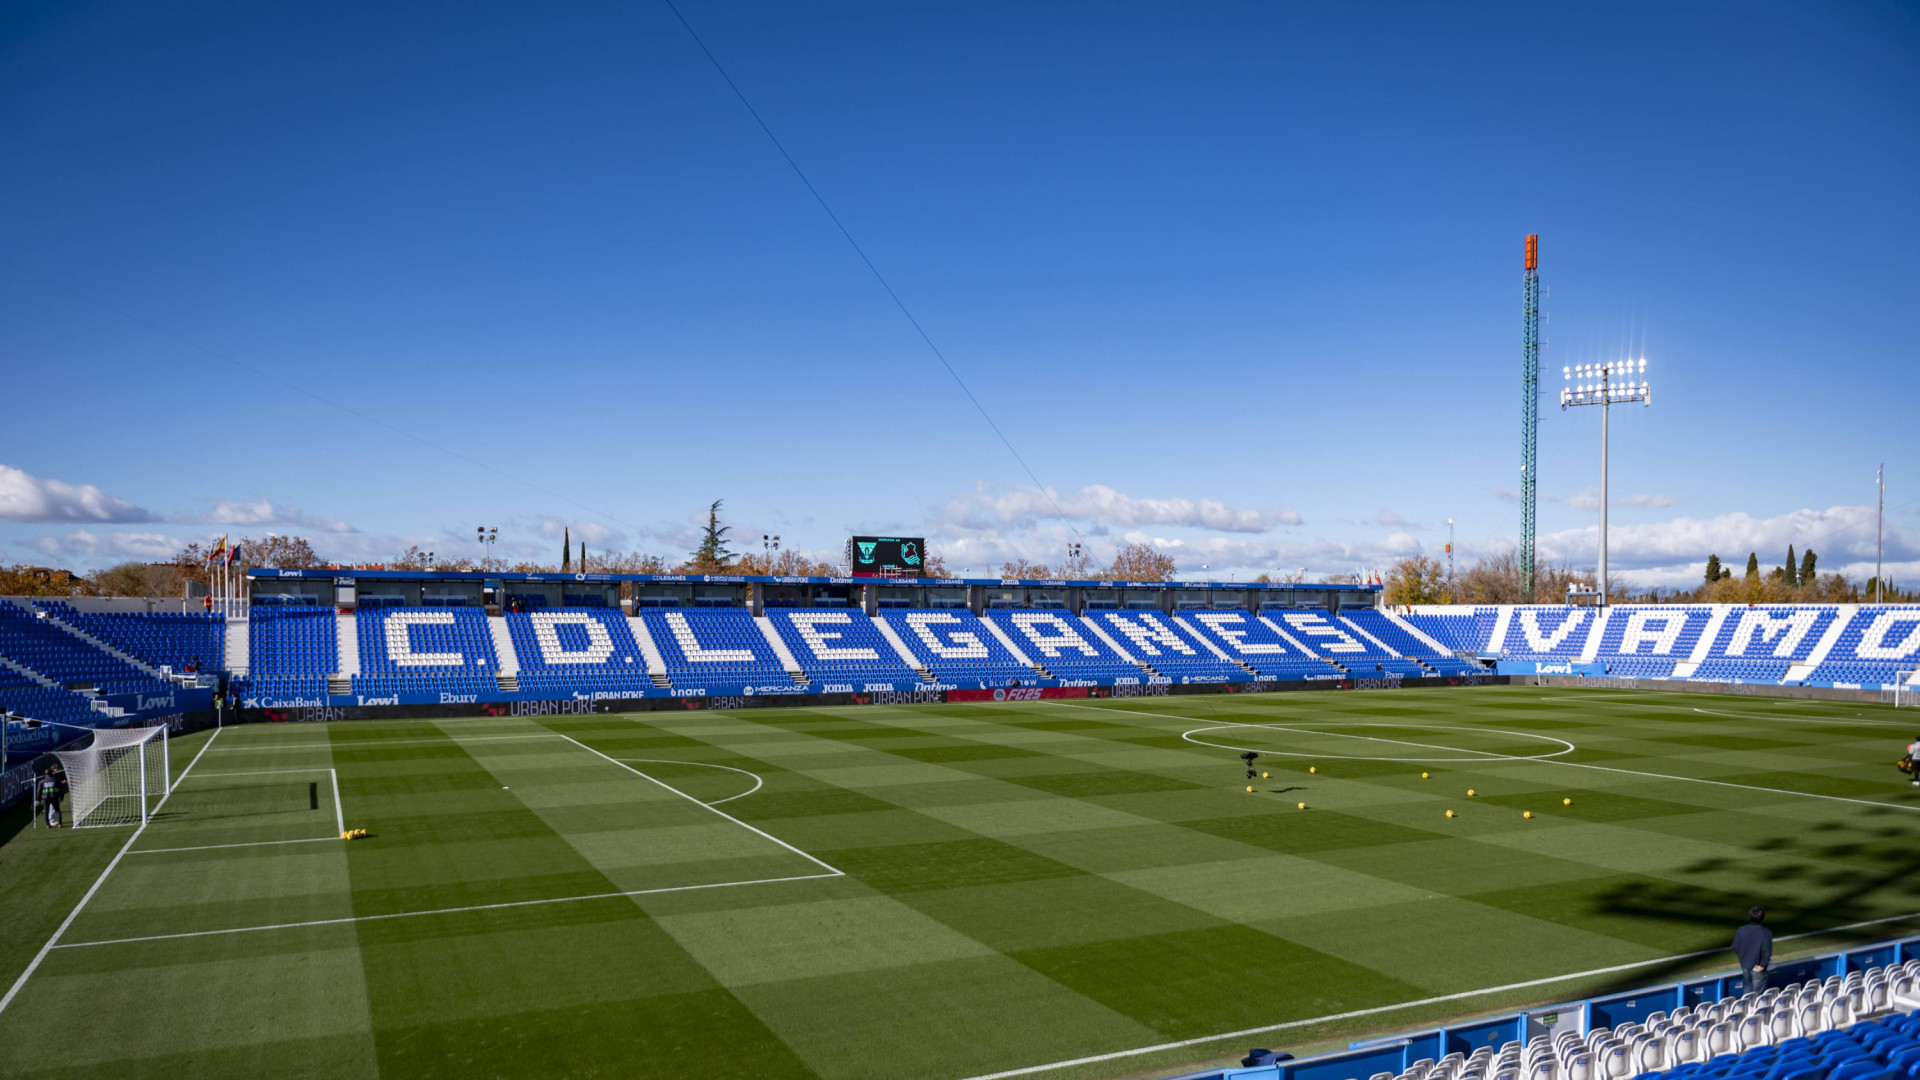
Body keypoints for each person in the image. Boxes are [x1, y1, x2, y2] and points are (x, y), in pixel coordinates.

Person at [1733, 907, 1772, 993]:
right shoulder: (1766, 933)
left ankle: (1745, 1005)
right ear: (1763, 918)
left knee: (1748, 986)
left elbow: (1735, 947)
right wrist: (1762, 965)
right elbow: (1767, 951)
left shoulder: (1741, 930)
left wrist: (1744, 959)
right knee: (1757, 993)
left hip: (1745, 965)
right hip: (1758, 967)